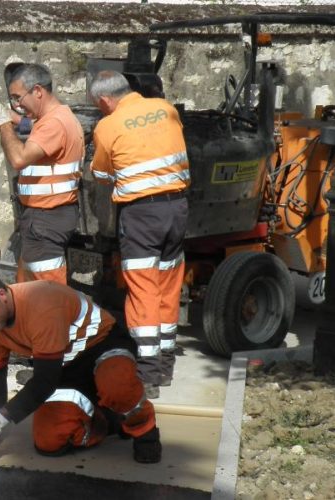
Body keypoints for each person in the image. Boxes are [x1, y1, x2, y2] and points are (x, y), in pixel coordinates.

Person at [0, 268, 161, 464]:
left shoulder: (42, 305)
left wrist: (2, 417)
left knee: (117, 385)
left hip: (102, 346)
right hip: (65, 365)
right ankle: (108, 420)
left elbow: (45, 381)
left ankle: (145, 431)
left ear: (2, 295)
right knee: (49, 441)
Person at [88, 70, 190, 399]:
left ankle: (148, 374)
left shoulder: (108, 125)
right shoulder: (166, 109)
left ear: (105, 100)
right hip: (177, 208)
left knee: (143, 288)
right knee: (168, 283)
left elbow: (102, 174)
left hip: (141, 215)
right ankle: (167, 363)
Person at [0, 63, 84, 285]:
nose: (17, 105)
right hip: (47, 216)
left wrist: (2, 122)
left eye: (18, 97)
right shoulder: (57, 116)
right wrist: (13, 117)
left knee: (47, 295)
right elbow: (33, 124)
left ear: (37, 91)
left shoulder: (53, 123)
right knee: (29, 290)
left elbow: (18, 158)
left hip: (46, 218)